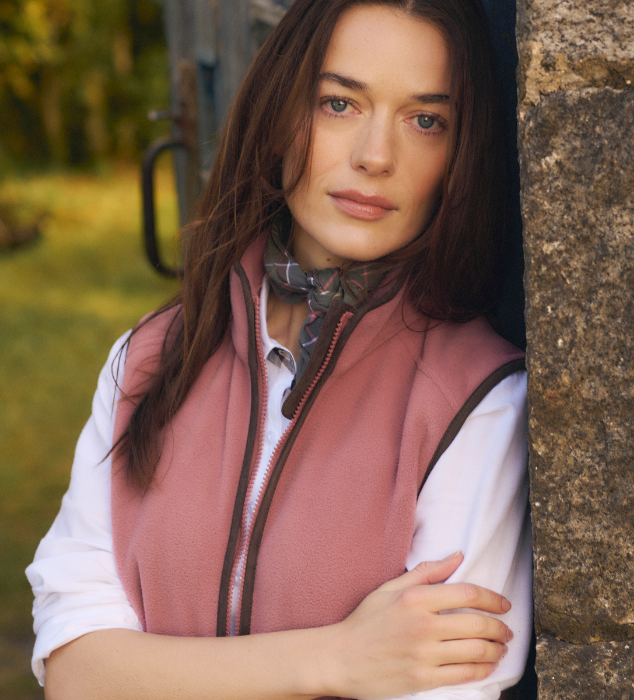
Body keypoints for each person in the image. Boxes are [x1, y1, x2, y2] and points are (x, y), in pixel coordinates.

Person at [27, 0, 532, 698]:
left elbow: (443, 687)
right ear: (279, 111)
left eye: (425, 120)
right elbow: (76, 672)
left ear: (458, 154)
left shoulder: (480, 401)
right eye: (338, 104)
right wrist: (335, 659)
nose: (375, 156)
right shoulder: (145, 362)